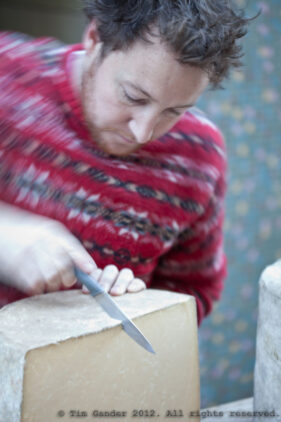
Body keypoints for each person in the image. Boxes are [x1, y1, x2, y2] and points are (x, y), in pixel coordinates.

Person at [0, 0, 251, 324]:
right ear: (94, 38)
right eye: (133, 96)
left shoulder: (200, 156)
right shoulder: (7, 77)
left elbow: (193, 292)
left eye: (174, 111)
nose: (144, 132)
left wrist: (143, 305)